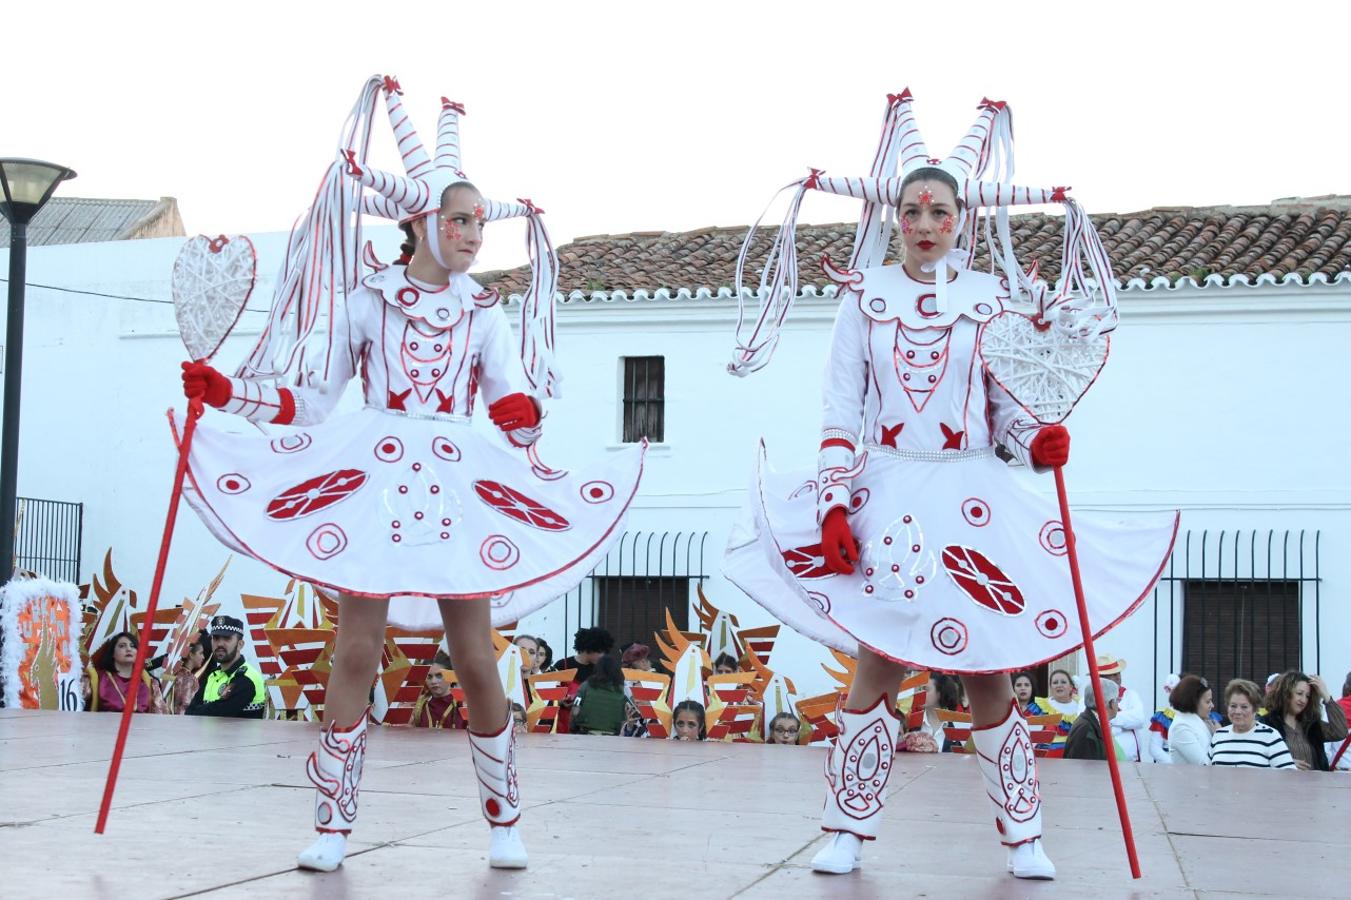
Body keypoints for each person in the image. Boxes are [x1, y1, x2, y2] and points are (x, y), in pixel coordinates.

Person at [174, 77, 643, 873]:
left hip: (458, 481)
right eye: (460, 220)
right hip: (374, 481)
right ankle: (331, 824)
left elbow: (512, 402)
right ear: (423, 222)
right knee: (355, 650)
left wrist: (522, 418)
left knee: (472, 652)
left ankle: (503, 820)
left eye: (478, 222)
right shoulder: (367, 301)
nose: (473, 233)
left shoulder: (484, 312)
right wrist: (230, 394)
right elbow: (314, 399)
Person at [721, 92, 1177, 880]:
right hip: (890, 494)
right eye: (910, 210)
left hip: (971, 496)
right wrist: (833, 500)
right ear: (892, 218)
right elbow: (839, 410)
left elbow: (1003, 412)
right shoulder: (861, 301)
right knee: (879, 662)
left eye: (937, 209)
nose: (923, 222)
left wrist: (1037, 440)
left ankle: (1023, 836)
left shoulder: (989, 300)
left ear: (961, 219)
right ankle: (847, 830)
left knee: (987, 669)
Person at [1258, 672, 1349, 771]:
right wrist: (1285, 763)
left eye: (1307, 696)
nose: (1303, 700)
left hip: (1314, 785)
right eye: (1299, 693)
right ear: (1286, 693)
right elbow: (1256, 758)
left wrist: (1326, 696)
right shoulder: (1266, 723)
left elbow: (1340, 732)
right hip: (1281, 785)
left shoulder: (1311, 725)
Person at [186, 616, 267, 719]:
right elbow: (189, 712)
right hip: (210, 735)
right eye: (216, 638)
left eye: (227, 638)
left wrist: (198, 712)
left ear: (240, 644)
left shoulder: (247, 677)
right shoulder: (213, 676)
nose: (219, 643)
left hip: (239, 735)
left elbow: (220, 713)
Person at [1209, 679, 1295, 769]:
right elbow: (1206, 772)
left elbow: (1289, 774)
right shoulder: (1219, 735)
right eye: (1233, 706)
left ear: (1255, 709)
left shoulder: (1270, 736)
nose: (1238, 711)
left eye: (1244, 707)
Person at [551, 627, 615, 734]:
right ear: (589, 648)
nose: (603, 656)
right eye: (600, 651)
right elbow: (548, 696)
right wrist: (561, 701)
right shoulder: (562, 665)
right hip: (563, 726)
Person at [84, 631, 166, 714]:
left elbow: (161, 718)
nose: (129, 649)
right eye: (122, 646)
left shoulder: (149, 683)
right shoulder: (97, 679)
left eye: (133, 646)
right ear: (112, 653)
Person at [1098, 656, 1149, 764]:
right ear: (1101, 678)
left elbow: (1139, 719)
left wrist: (1107, 718)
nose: (1118, 677)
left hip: (1133, 763)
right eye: (1113, 674)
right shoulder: (1089, 698)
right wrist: (1125, 722)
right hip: (1103, 763)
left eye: (1118, 673)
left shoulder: (1130, 695)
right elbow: (1095, 723)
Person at [570, 655, 632, 736]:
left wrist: (573, 728)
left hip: (586, 734)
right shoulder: (622, 690)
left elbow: (575, 709)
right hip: (612, 736)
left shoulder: (586, 685)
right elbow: (626, 716)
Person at [1063, 677, 1119, 761]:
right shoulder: (1086, 729)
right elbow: (1086, 770)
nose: (1118, 704)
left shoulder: (1092, 723)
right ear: (1111, 703)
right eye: (1117, 700)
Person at [1166, 675, 1213, 766]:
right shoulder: (1180, 727)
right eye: (1208, 701)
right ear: (1194, 701)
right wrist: (1219, 737)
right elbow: (1205, 764)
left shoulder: (1195, 720)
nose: (1212, 705)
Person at [164, 629, 212, 715]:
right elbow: (185, 707)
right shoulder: (188, 679)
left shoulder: (173, 673)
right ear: (191, 654)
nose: (203, 657)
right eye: (200, 653)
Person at [411, 651, 458, 729]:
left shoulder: (463, 705)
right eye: (429, 677)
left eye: (439, 675)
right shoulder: (418, 706)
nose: (433, 681)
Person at [919, 673, 963, 751]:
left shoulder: (957, 725)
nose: (920, 693)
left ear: (940, 692)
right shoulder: (913, 724)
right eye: (920, 689)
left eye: (926, 689)